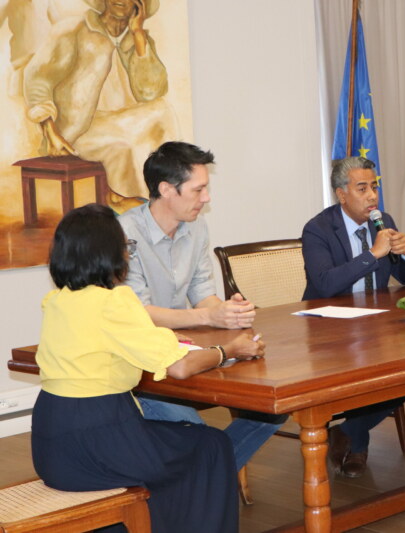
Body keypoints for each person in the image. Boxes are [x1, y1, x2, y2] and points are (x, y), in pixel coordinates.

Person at [32, 203, 265, 533]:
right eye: (126, 246)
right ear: (110, 252)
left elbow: (103, 343)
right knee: (210, 445)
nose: (128, 254)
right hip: (100, 441)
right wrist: (228, 349)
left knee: (178, 445)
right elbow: (181, 367)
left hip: (52, 447)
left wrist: (159, 336)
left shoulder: (57, 300)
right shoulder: (116, 300)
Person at [119, 141, 285, 473]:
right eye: (199, 190)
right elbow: (137, 312)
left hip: (184, 350)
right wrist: (208, 315)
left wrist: (226, 312)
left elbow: (202, 292)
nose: (206, 198)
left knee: (274, 409)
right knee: (197, 436)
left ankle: (204, 480)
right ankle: (206, 478)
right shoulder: (123, 234)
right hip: (141, 367)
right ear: (167, 189)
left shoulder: (196, 227)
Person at [302, 156, 405, 477]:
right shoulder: (318, 229)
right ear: (342, 194)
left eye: (374, 187)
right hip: (328, 328)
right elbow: (325, 284)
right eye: (362, 188)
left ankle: (349, 431)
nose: (372, 196)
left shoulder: (383, 221)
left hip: (375, 324)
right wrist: (373, 255)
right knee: (362, 368)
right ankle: (358, 443)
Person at [23, 0, 177, 210]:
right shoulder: (74, 29)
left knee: (162, 114)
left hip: (125, 122)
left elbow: (151, 92)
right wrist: (51, 133)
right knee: (125, 147)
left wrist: (138, 36)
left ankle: (156, 204)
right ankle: (126, 204)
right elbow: (38, 78)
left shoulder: (137, 38)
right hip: (82, 129)